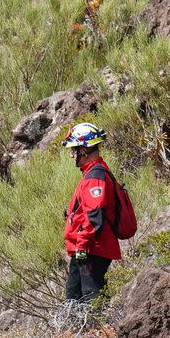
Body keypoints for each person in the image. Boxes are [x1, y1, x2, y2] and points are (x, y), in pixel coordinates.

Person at [61, 122, 121, 302]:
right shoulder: (91, 174)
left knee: (91, 297)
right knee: (74, 297)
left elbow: (95, 214)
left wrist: (83, 245)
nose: (73, 155)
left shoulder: (95, 176)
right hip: (86, 248)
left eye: (75, 150)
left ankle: (98, 330)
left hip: (92, 248)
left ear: (85, 149)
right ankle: (79, 330)